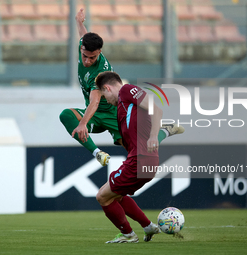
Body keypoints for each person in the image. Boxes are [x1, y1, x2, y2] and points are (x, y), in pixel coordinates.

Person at [59, 8, 181, 167]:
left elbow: (94, 102)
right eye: (84, 56)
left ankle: (163, 131)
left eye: (92, 58)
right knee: (66, 115)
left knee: (138, 152)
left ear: (99, 52)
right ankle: (98, 153)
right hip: (96, 116)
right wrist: (78, 22)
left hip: (112, 113)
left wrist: (82, 123)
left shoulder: (99, 73)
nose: (87, 61)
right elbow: (84, 35)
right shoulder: (85, 44)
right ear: (81, 48)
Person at [95, 71, 184, 243]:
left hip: (139, 161)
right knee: (116, 196)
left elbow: (156, 109)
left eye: (104, 95)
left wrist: (153, 135)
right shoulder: (122, 109)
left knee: (102, 197)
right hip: (142, 160)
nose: (105, 100)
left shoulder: (127, 90)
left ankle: (128, 235)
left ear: (107, 88)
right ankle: (147, 226)